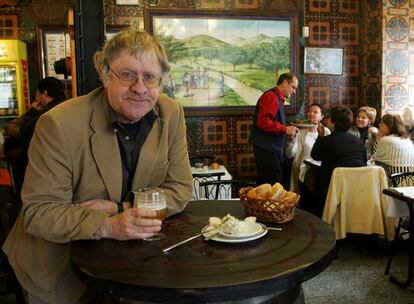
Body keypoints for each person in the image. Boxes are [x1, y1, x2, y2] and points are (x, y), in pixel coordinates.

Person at [2, 28, 193, 304]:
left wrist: (121, 210)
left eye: (150, 77)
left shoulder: (171, 113)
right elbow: (39, 212)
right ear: (105, 75)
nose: (140, 88)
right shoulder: (59, 124)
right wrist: (106, 226)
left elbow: (181, 188)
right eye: (127, 75)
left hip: (130, 266)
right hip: (59, 268)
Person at [4, 77, 66, 197]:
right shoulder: (65, 105)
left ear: (45, 93)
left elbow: (22, 134)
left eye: (37, 94)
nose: (36, 98)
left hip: (45, 171)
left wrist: (30, 112)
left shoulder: (47, 114)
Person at [310, 106, 367, 217]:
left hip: (330, 190)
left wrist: (320, 137)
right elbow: (364, 163)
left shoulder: (327, 141)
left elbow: (315, 156)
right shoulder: (358, 141)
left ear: (332, 122)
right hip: (355, 189)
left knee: (313, 177)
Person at [249, 73, 299, 185]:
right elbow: (263, 122)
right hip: (267, 149)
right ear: (285, 83)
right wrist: (285, 129)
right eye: (293, 87)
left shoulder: (276, 97)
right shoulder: (271, 96)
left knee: (270, 184)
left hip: (270, 149)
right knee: (271, 184)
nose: (294, 91)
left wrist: (287, 130)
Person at [285, 103, 330, 194]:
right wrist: (292, 141)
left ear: (321, 117)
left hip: (320, 168)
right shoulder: (301, 132)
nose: (311, 114)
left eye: (315, 112)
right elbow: (289, 155)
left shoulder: (326, 131)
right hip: (303, 167)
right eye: (309, 112)